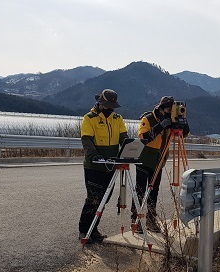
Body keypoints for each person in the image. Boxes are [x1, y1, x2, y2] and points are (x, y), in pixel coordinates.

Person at [131, 96, 189, 233]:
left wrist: (182, 121)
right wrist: (161, 126)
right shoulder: (148, 119)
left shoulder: (171, 121)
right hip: (144, 159)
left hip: (159, 160)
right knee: (140, 190)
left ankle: (151, 220)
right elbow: (144, 137)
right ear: (161, 108)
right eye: (168, 109)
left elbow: (184, 134)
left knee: (153, 192)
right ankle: (136, 220)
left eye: (171, 109)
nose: (169, 112)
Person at [78, 89, 128, 244]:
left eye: (112, 107)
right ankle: (84, 230)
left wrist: (129, 149)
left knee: (103, 200)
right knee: (93, 199)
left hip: (111, 166)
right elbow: (87, 141)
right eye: (107, 106)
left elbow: (124, 138)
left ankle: (94, 228)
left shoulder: (117, 119)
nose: (110, 109)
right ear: (100, 103)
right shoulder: (89, 118)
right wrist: (94, 156)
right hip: (94, 166)